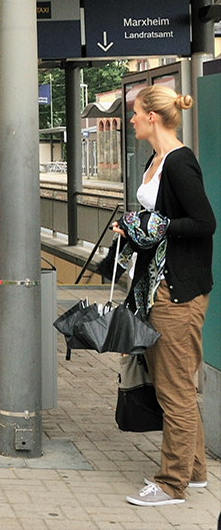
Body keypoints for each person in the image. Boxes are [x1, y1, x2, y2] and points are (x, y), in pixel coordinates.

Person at [114, 85, 214, 507]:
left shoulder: (178, 161)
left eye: (135, 113)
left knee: (174, 389)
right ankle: (193, 472)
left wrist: (156, 226)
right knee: (174, 383)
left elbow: (203, 222)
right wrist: (136, 230)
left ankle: (171, 484)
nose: (131, 119)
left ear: (152, 116)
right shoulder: (155, 161)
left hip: (176, 293)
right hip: (155, 288)